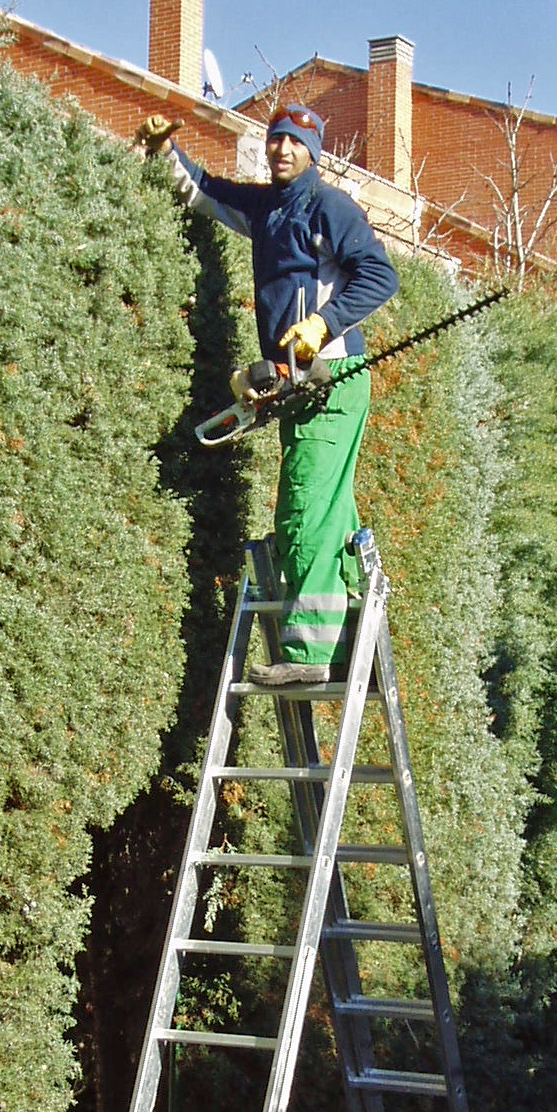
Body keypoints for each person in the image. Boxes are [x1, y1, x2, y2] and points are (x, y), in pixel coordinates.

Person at [138, 105, 398, 685]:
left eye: (295, 142)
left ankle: (309, 656)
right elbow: (205, 191)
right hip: (298, 382)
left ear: (313, 152)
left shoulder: (327, 205)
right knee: (323, 506)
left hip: (333, 376)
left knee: (306, 507)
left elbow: (381, 275)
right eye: (276, 139)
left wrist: (324, 325)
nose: (283, 150)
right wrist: (162, 153)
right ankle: (353, 627)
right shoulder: (265, 206)